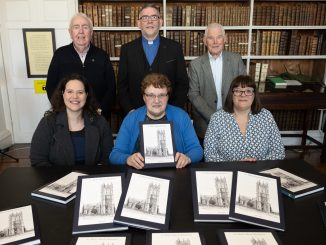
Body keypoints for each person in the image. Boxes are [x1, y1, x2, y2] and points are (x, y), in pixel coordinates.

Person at [110, 73, 203, 169]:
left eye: (162, 95)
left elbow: (197, 150)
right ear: (144, 97)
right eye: (151, 95)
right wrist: (127, 159)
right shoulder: (131, 118)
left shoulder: (181, 116)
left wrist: (188, 158)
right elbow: (114, 155)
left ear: (168, 97)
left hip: (175, 173)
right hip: (139, 174)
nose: (157, 100)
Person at [117, 3, 189, 115]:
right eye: (145, 17)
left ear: (161, 22)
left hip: (168, 114)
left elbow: (182, 83)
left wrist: (172, 111)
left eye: (154, 17)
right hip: (136, 114)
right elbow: (122, 85)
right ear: (138, 24)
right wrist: (130, 111)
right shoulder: (127, 50)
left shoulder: (175, 48)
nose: (149, 21)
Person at [30, 74, 113, 166]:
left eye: (80, 92)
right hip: (58, 178)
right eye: (70, 92)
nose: (75, 96)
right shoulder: (47, 123)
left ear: (87, 95)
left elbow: (108, 156)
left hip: (91, 177)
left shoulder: (100, 122)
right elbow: (38, 160)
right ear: (62, 94)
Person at [46, 13, 116, 119]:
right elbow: (51, 86)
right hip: (67, 116)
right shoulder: (60, 54)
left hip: (97, 115)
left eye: (85, 27)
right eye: (76, 27)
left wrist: (101, 110)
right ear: (70, 32)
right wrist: (61, 110)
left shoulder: (102, 55)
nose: (81, 31)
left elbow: (111, 87)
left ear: (91, 32)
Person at [204, 75, 285, 162]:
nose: (243, 95)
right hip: (228, 172)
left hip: (260, 171)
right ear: (232, 94)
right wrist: (234, 165)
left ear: (254, 95)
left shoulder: (266, 116)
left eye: (248, 91)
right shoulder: (217, 118)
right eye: (238, 91)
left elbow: (278, 152)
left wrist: (257, 163)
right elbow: (209, 154)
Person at [188, 23, 246, 142]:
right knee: (206, 159)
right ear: (204, 41)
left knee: (232, 159)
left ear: (225, 39)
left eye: (219, 37)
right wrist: (214, 117)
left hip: (233, 120)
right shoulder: (195, 65)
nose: (215, 42)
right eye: (210, 38)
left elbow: (243, 89)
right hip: (205, 124)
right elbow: (193, 94)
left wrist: (231, 116)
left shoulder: (236, 60)